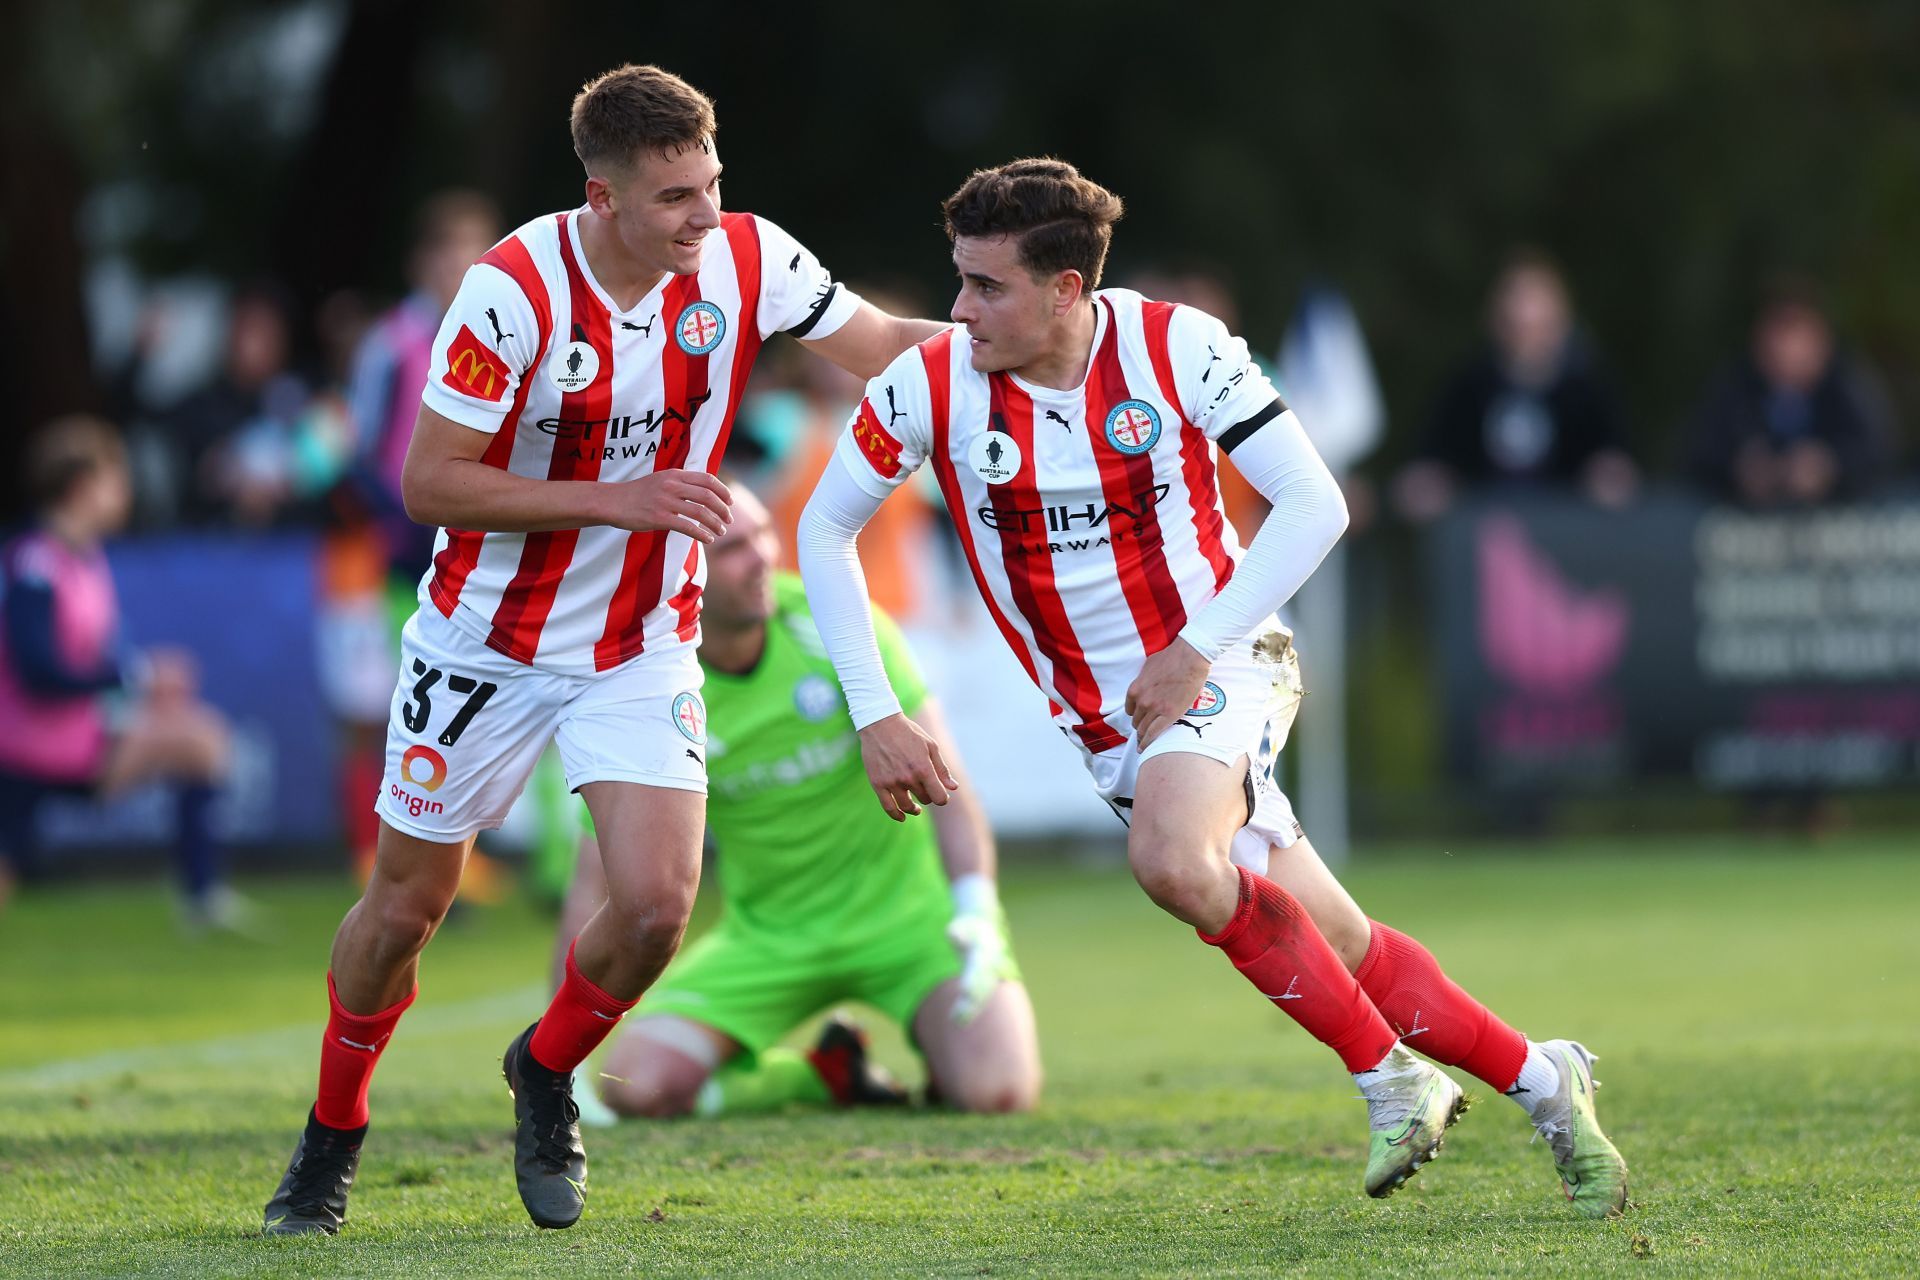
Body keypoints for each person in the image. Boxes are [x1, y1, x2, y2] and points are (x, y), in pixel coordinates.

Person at [797, 159, 1628, 1218]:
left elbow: (1314, 503)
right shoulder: (934, 382)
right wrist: (876, 709)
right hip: (1111, 723)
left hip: (1226, 657)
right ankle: (1548, 1080)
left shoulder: (1174, 345)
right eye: (956, 279)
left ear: (1064, 289)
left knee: (1168, 857)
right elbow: (825, 530)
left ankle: (1391, 1080)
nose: (958, 310)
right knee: (1341, 945)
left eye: (986, 285)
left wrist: (1195, 645)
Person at [262, 64, 947, 1236]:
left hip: (640, 640)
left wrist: (1037, 352)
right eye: (676, 195)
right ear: (602, 196)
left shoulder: (746, 258)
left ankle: (546, 1069)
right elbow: (428, 481)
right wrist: (614, 496)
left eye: (713, 183)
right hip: (485, 641)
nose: (704, 215)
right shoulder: (512, 291)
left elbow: (888, 342)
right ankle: (332, 1133)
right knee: (403, 910)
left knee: (654, 906)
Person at [554, 483, 1038, 1123]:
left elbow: (947, 786)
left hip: (910, 926)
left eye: (762, 535)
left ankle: (943, 1047)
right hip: (770, 940)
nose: (761, 558)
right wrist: (560, 1057)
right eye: (732, 549)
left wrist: (976, 910)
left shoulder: (831, 623)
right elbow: (597, 879)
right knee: (634, 1086)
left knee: (997, 1093)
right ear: (682, 573)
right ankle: (820, 1076)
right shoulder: (646, 687)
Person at [0, 417, 242, 928]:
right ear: (80, 488)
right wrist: (138, 678)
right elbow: (40, 673)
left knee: (202, 740)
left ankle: (201, 898)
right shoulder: (36, 566)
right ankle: (200, 899)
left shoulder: (83, 559)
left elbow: (92, 664)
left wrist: (141, 687)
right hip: (29, 752)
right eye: (114, 480)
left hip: (77, 739)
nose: (124, 493)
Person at [1395, 249, 1636, 522]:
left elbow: (1617, 472)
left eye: (1537, 326)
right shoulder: (1468, 386)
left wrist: (1608, 482)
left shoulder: (1587, 390)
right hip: (1480, 537)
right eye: (1517, 326)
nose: (1527, 338)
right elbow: (1426, 470)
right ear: (1495, 320)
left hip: (1568, 539)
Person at [1686, 278, 1897, 508]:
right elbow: (1695, 453)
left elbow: (1882, 452)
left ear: (1821, 340)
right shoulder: (1735, 385)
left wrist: (1830, 466)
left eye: (1794, 331)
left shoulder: (1849, 383)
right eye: (1775, 331)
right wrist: (1739, 468)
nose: (1783, 346)